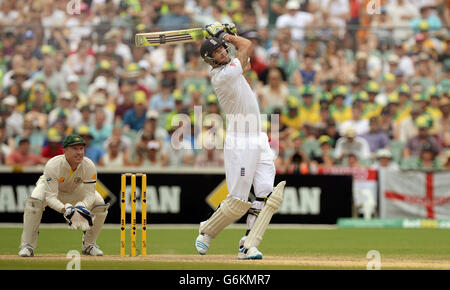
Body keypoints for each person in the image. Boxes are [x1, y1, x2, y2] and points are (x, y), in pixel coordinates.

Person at [195, 23, 285, 260]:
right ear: (210, 60)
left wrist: (224, 35)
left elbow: (244, 58)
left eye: (223, 49)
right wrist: (225, 34)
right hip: (240, 141)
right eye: (217, 52)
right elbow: (247, 45)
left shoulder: (234, 67)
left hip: (258, 137)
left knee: (268, 196)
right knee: (238, 201)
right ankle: (207, 231)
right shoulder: (222, 76)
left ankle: (248, 244)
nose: (223, 52)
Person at [18, 134, 109, 257]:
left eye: (81, 148)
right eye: (75, 149)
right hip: (50, 189)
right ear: (64, 150)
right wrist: (65, 209)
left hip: (75, 190)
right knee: (34, 202)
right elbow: (50, 197)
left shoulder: (89, 165)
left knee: (100, 204)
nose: (79, 152)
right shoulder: (53, 165)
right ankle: (27, 246)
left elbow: (90, 195)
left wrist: (82, 205)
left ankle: (89, 245)